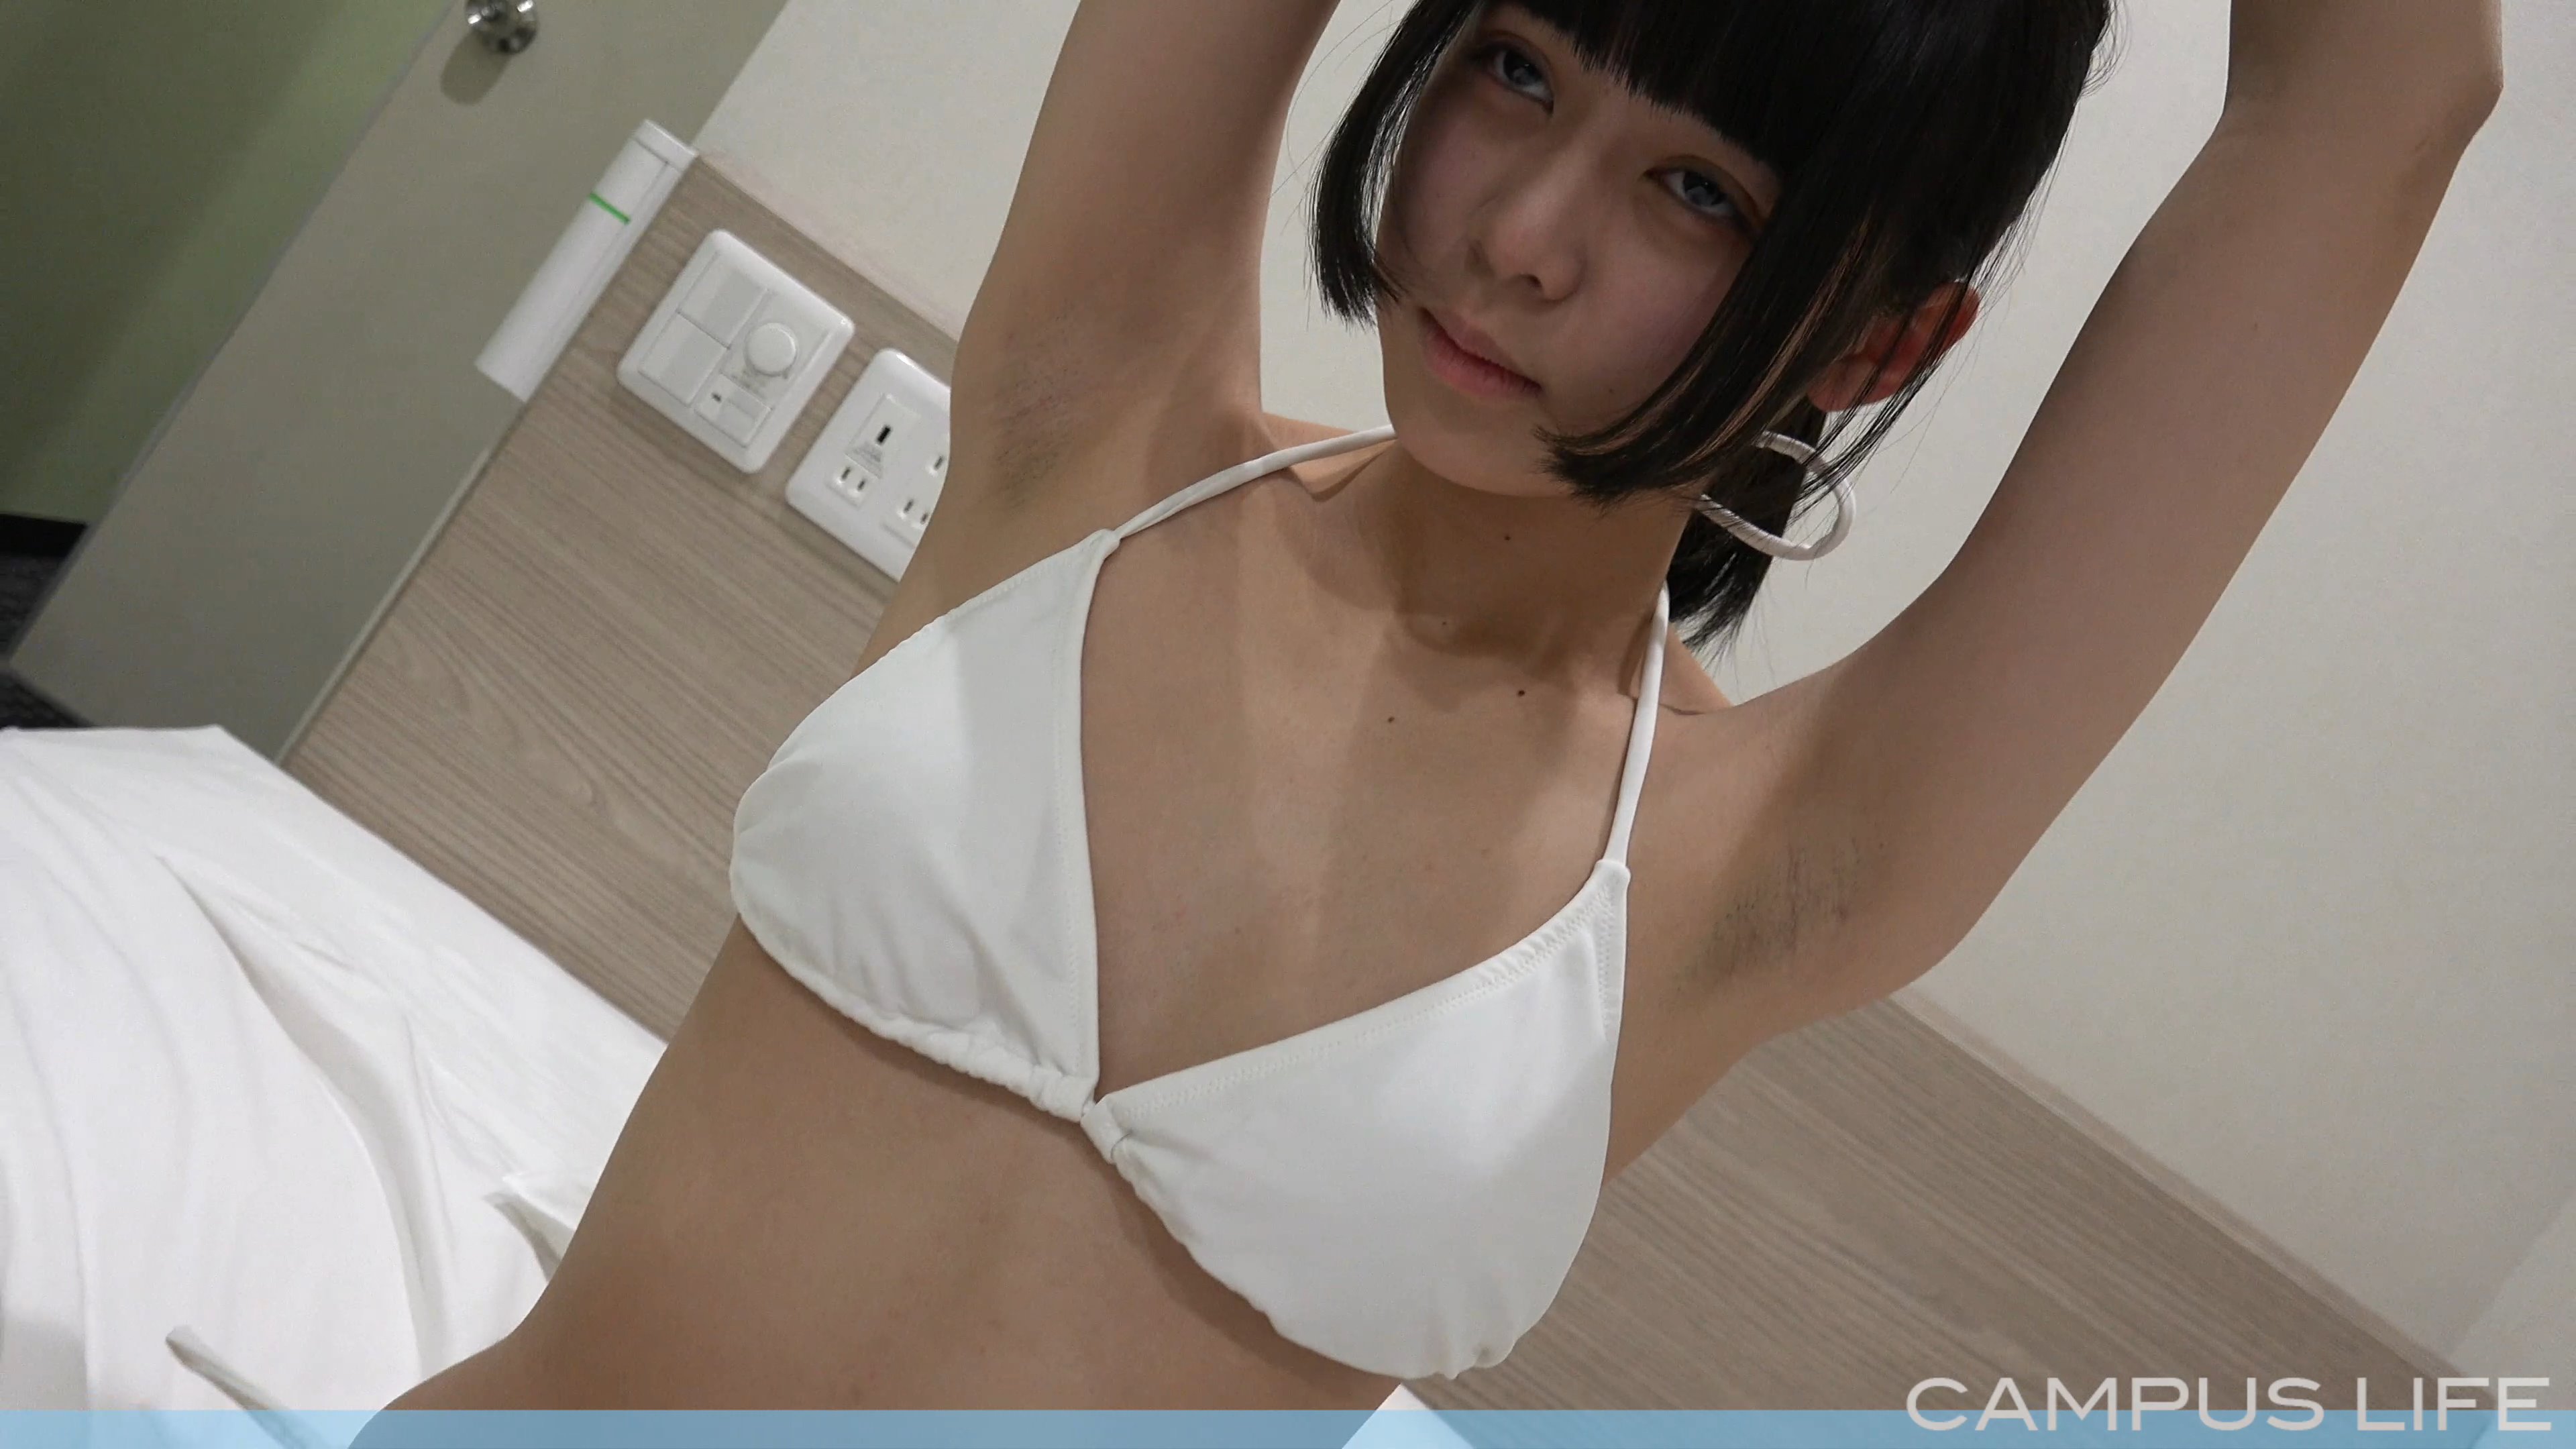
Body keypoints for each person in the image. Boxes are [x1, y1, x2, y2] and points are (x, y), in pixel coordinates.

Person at [384, 0, 2502, 1411]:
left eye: (1698, 190)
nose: (1518, 234)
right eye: (1515, 68)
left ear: (1879, 346)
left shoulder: (1764, 873)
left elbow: (2382, 104)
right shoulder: (1087, 428)